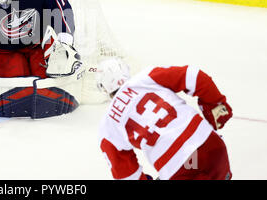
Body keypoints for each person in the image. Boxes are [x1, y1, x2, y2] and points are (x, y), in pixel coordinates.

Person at [96, 59, 233, 180]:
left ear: (103, 88)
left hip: (178, 168)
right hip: (210, 144)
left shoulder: (108, 125)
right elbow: (193, 76)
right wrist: (216, 103)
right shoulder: (146, 77)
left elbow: (125, 174)